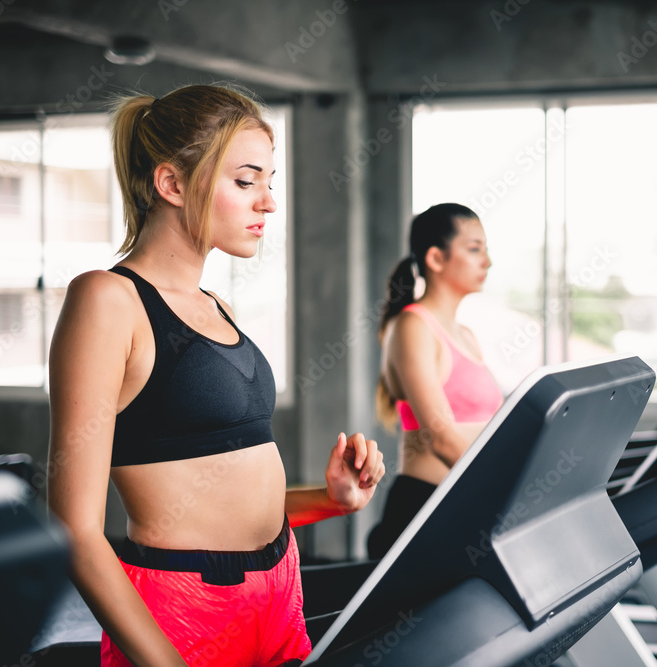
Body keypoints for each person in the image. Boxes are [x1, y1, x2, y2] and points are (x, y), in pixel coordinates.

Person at [47, 84, 385, 667]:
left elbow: (220, 494)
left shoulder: (215, 305)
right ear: (172, 184)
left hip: (278, 595)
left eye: (269, 182)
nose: (268, 203)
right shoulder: (107, 300)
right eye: (246, 180)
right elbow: (75, 531)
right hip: (181, 611)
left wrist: (330, 500)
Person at [366, 203, 503, 559]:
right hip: (425, 509)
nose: (486, 261)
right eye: (474, 249)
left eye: (485, 250)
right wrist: (506, 489)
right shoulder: (414, 327)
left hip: (466, 506)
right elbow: (442, 439)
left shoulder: (467, 335)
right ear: (436, 259)